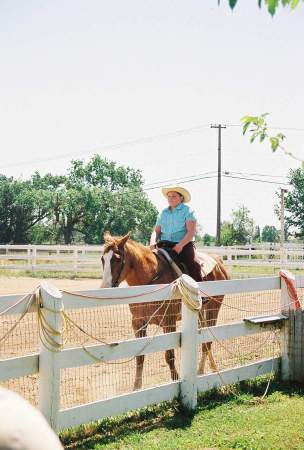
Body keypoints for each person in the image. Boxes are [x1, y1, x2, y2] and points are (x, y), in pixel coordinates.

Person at [150, 186, 203, 282]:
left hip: (184, 245)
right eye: (169, 196)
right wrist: (152, 242)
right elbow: (156, 231)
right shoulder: (163, 213)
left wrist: (180, 245)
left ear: (181, 197)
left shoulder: (188, 211)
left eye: (174, 196)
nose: (170, 199)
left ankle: (201, 293)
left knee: (194, 264)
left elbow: (191, 233)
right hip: (164, 245)